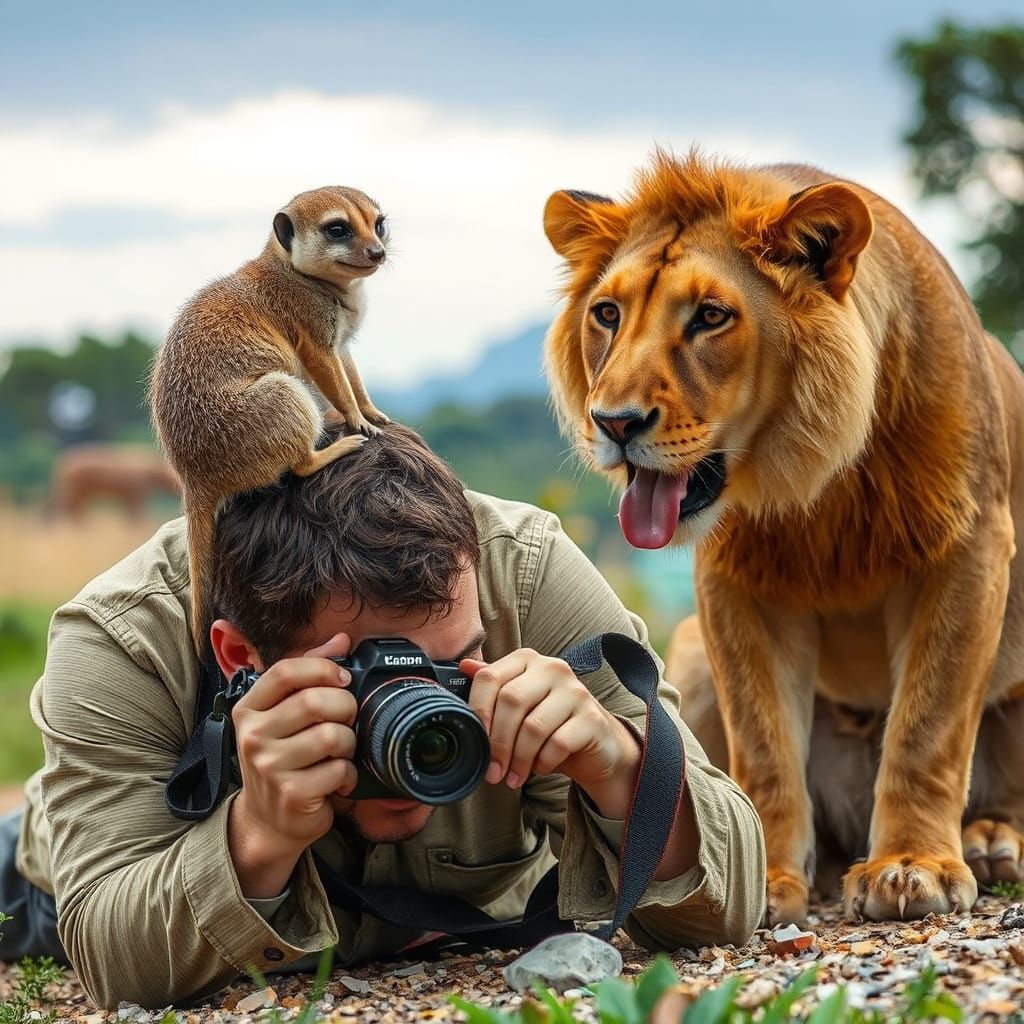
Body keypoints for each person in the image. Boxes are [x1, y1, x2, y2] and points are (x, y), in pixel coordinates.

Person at [1, 424, 765, 1009]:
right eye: (363, 680)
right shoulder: (127, 637)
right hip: (55, 873)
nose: (415, 714)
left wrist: (620, 767)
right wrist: (257, 833)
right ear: (239, 656)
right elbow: (108, 952)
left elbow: (736, 894)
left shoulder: (522, 577)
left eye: (451, 666)